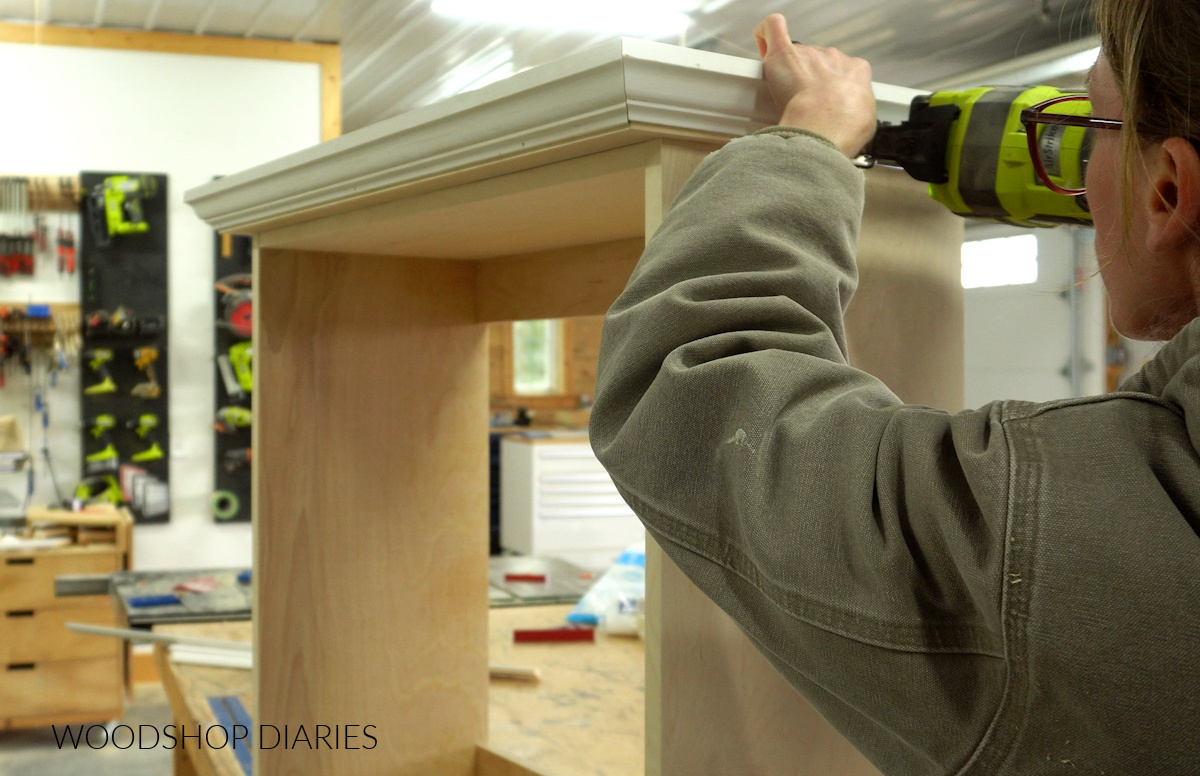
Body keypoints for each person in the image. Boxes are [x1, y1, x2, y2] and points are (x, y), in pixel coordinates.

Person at [589, 3, 1200, 774]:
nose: (1078, 169)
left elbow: (679, 380)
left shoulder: (1057, 549)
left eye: (1097, 130)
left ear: (1171, 192)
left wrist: (806, 141)